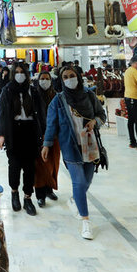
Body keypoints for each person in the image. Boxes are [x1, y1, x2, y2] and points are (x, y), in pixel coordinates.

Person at [42, 67, 106, 240]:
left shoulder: (89, 95)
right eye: (66, 77)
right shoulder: (58, 101)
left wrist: (95, 121)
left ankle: (74, 200)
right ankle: (86, 221)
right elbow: (51, 124)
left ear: (78, 77)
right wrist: (46, 145)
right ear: (61, 80)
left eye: (72, 76)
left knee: (86, 181)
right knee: (78, 182)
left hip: (90, 146)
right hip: (70, 146)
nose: (70, 79)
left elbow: (102, 115)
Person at [0, 63, 41, 216]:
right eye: (17, 72)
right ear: (12, 74)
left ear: (27, 74)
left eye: (22, 72)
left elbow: (40, 113)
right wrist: (1, 135)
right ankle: (14, 192)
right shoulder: (7, 90)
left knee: (30, 167)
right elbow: (1, 112)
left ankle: (28, 197)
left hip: (30, 131)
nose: (20, 74)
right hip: (13, 131)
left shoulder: (33, 90)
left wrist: (43, 133)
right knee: (14, 165)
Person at [31, 70, 59, 206]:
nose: (45, 81)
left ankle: (49, 189)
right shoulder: (34, 95)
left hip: (54, 135)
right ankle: (40, 194)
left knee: (53, 164)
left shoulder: (55, 95)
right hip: (39, 134)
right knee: (40, 166)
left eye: (47, 78)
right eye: (42, 78)